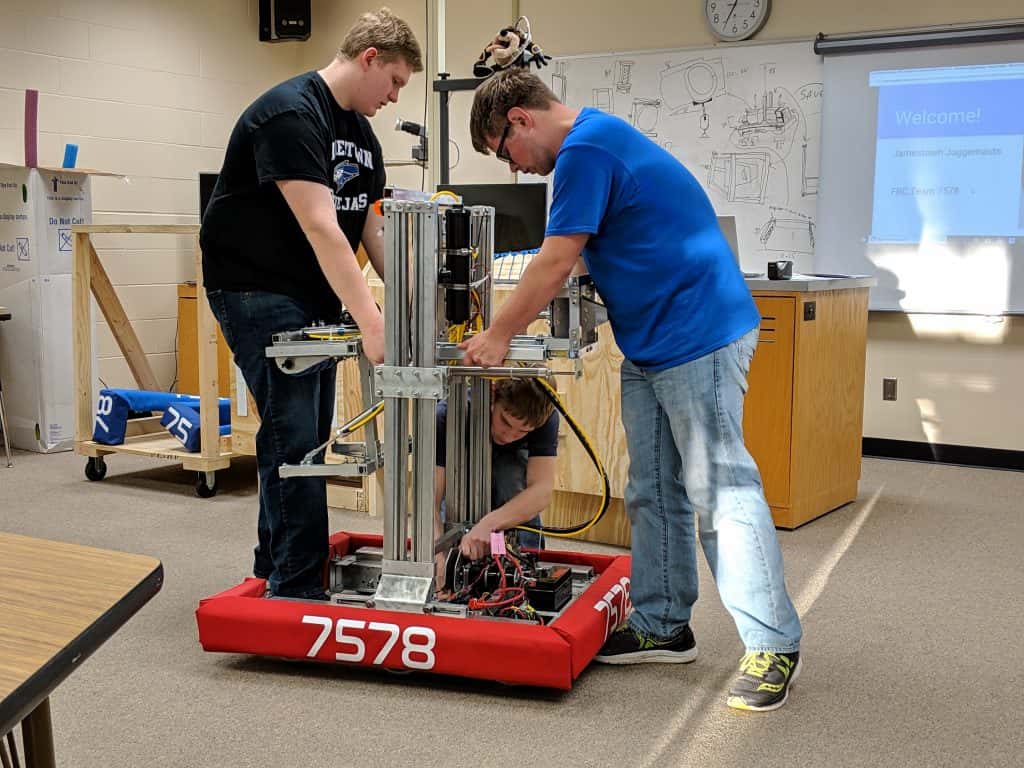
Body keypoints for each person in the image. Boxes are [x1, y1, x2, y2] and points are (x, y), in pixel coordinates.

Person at [461, 69, 803, 712]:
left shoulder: (586, 150)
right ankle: (664, 623)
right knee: (651, 490)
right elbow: (582, 253)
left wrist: (500, 333)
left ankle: (773, 644)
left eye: (504, 152)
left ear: (520, 119)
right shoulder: (593, 145)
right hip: (650, 343)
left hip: (698, 334)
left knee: (721, 492)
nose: (514, 168)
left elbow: (557, 258)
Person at [199, 8, 422, 600]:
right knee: (295, 438)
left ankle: (271, 564)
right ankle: (296, 587)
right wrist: (372, 321)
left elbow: (370, 230)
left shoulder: (362, 135)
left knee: (301, 435)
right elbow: (322, 226)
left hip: (312, 293)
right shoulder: (290, 114)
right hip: (256, 289)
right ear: (369, 58)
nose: (394, 97)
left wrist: (409, 308)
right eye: (395, 81)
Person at [433, 378, 559, 587]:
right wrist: (438, 558)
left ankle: (519, 563)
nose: (510, 436)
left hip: (512, 500)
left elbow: (541, 491)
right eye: (506, 422)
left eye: (523, 431)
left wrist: (489, 524)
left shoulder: (544, 415)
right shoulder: (448, 415)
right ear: (492, 395)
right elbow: (430, 502)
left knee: (509, 475)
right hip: (460, 491)